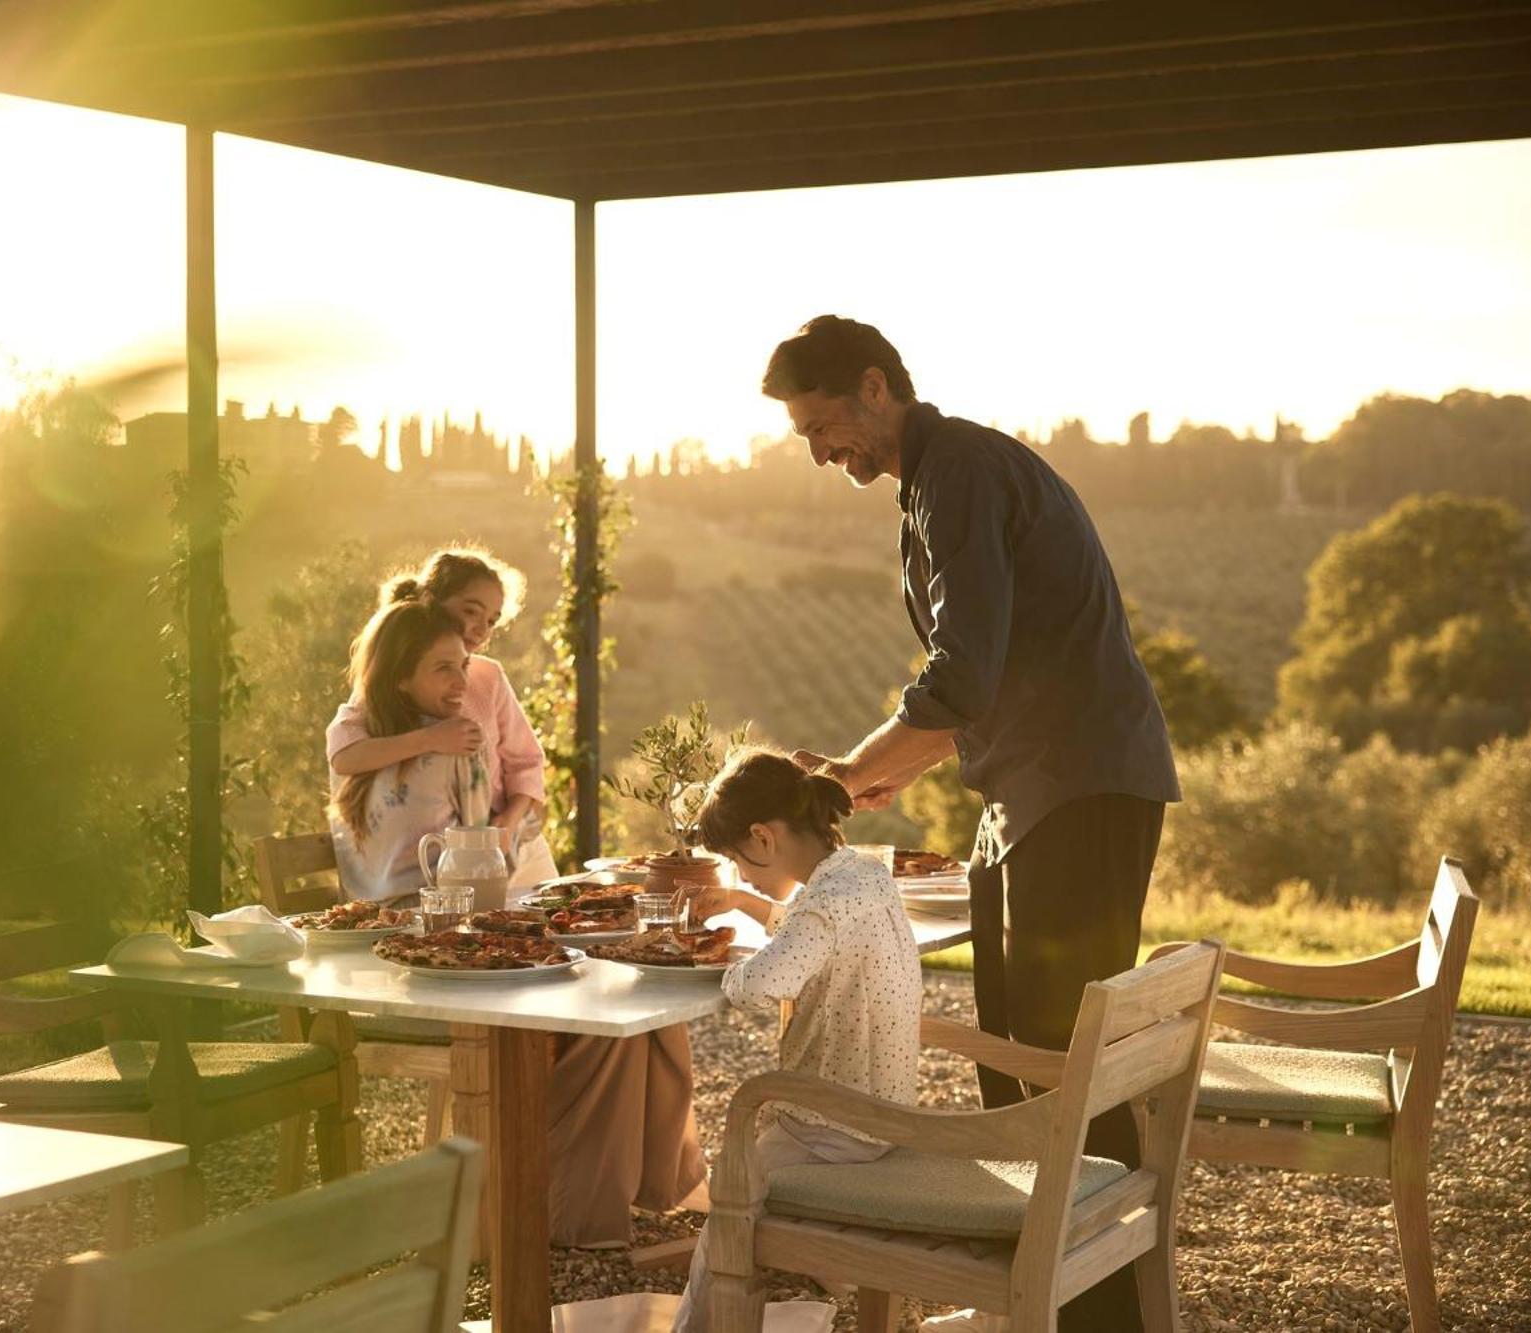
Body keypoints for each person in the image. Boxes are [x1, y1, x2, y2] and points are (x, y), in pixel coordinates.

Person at [764, 315, 1179, 1332]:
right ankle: (1041, 1292)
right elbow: (989, 678)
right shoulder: (931, 485)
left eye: (823, 426)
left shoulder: (958, 477)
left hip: (1077, 787)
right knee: (1010, 1048)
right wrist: (866, 775)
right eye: (806, 437)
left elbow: (961, 676)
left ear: (874, 387)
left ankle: (1094, 1311)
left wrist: (852, 776)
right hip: (1028, 794)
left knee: (1059, 1057)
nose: (821, 452)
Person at [325, 551, 703, 1247]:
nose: (476, 642)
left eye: (490, 623)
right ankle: (562, 1201)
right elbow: (349, 762)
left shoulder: (480, 686)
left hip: (491, 890)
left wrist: (497, 837)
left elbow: (522, 774)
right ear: (431, 612)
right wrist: (438, 752)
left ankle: (615, 1189)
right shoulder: (384, 715)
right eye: (470, 615)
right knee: (602, 996)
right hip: (432, 929)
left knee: (632, 992)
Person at [668, 748, 922, 1333]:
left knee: (727, 1209)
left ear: (762, 837)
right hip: (885, 1114)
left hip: (835, 1129)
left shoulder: (826, 904)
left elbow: (763, 984)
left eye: (737, 864)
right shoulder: (861, 876)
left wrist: (719, 964)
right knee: (745, 1178)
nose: (744, 875)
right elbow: (810, 929)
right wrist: (742, 904)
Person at [328, 549, 555, 903]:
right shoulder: (394, 674)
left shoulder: (488, 676)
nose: (481, 628)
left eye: (492, 620)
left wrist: (509, 822)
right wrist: (431, 739)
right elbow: (343, 755)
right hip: (447, 860)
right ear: (432, 602)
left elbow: (526, 762)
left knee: (548, 927)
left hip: (511, 843)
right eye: (471, 611)